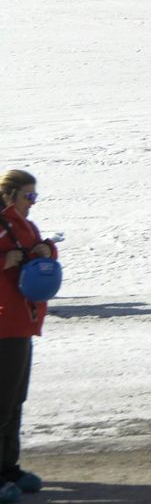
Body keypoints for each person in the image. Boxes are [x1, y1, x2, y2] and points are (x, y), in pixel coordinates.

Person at [1, 170, 58, 502]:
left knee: (14, 402)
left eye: (35, 196)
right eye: (28, 196)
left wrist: (46, 251)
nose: (32, 203)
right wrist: (5, 260)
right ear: (9, 195)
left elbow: (38, 247)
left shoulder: (24, 225)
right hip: (4, 326)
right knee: (1, 405)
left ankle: (9, 468)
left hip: (21, 324)